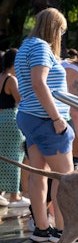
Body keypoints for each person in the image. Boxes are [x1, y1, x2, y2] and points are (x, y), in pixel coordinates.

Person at [15, 7, 75, 242]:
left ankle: (42, 228)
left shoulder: (24, 47)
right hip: (45, 120)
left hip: (30, 117)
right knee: (66, 178)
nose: (61, 36)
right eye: (61, 30)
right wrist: (57, 118)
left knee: (39, 175)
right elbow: (39, 84)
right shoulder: (41, 47)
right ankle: (63, 229)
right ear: (54, 28)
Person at [0, 48, 30, 208]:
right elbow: (21, 100)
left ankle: (2, 193)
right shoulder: (12, 79)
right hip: (12, 120)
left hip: (0, 119)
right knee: (15, 157)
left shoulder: (1, 77)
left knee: (2, 156)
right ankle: (14, 195)